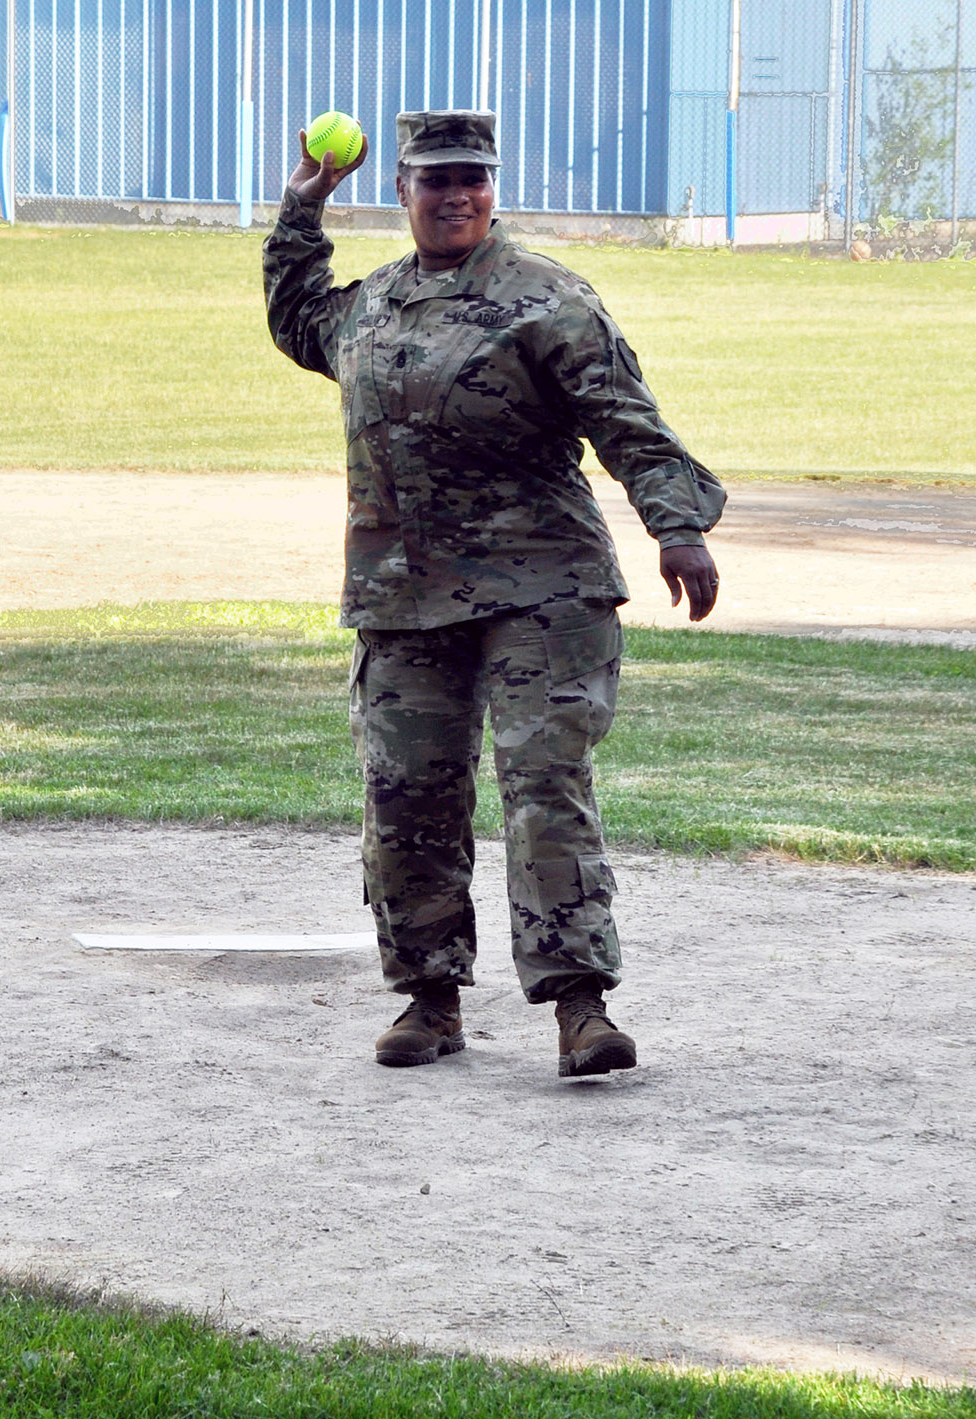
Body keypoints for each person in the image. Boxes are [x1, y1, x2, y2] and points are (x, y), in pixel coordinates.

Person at [263, 110, 724, 1078]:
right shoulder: (373, 304)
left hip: (541, 586)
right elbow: (299, 321)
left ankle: (579, 1006)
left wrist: (674, 525)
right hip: (401, 593)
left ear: (491, 185)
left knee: (541, 788)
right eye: (435, 179)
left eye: (472, 175)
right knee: (406, 796)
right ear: (401, 191)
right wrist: (301, 211)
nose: (456, 192)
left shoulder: (546, 298)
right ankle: (427, 999)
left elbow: (624, 416)